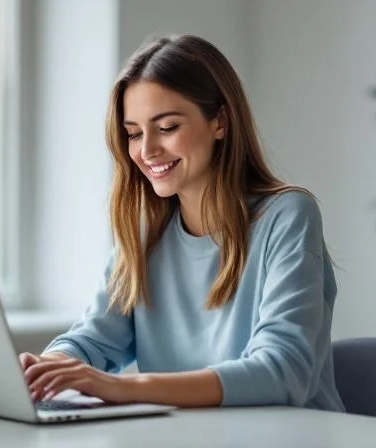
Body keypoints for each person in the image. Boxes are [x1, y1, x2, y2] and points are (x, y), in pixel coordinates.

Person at [19, 34, 346, 412]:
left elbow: (282, 371)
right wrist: (45, 368)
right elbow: (94, 339)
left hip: (290, 434)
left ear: (220, 122)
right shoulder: (145, 233)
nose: (146, 150)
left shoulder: (287, 216)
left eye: (167, 127)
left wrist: (125, 387)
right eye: (134, 134)